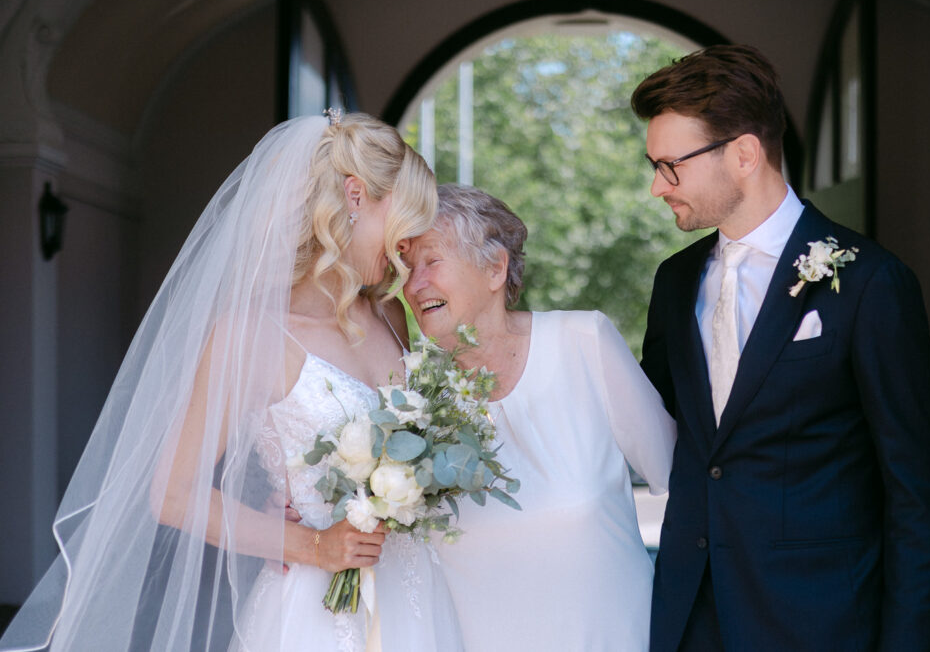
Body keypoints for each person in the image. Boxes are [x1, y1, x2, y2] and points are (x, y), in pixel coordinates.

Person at [0, 112, 463, 652]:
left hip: (415, 597)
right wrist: (311, 544)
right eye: (405, 222)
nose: (406, 247)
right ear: (355, 196)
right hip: (315, 616)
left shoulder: (388, 313)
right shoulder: (252, 336)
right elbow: (173, 494)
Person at [632, 44, 930, 651]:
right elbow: (654, 427)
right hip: (692, 619)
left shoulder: (870, 282)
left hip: (820, 622)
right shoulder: (675, 282)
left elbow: (915, 494)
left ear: (745, 154)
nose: (656, 187)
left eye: (671, 166)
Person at [400, 183, 677, 651]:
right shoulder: (411, 398)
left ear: (494, 268)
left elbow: (684, 482)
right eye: (405, 268)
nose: (413, 284)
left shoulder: (583, 340)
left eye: (431, 261)